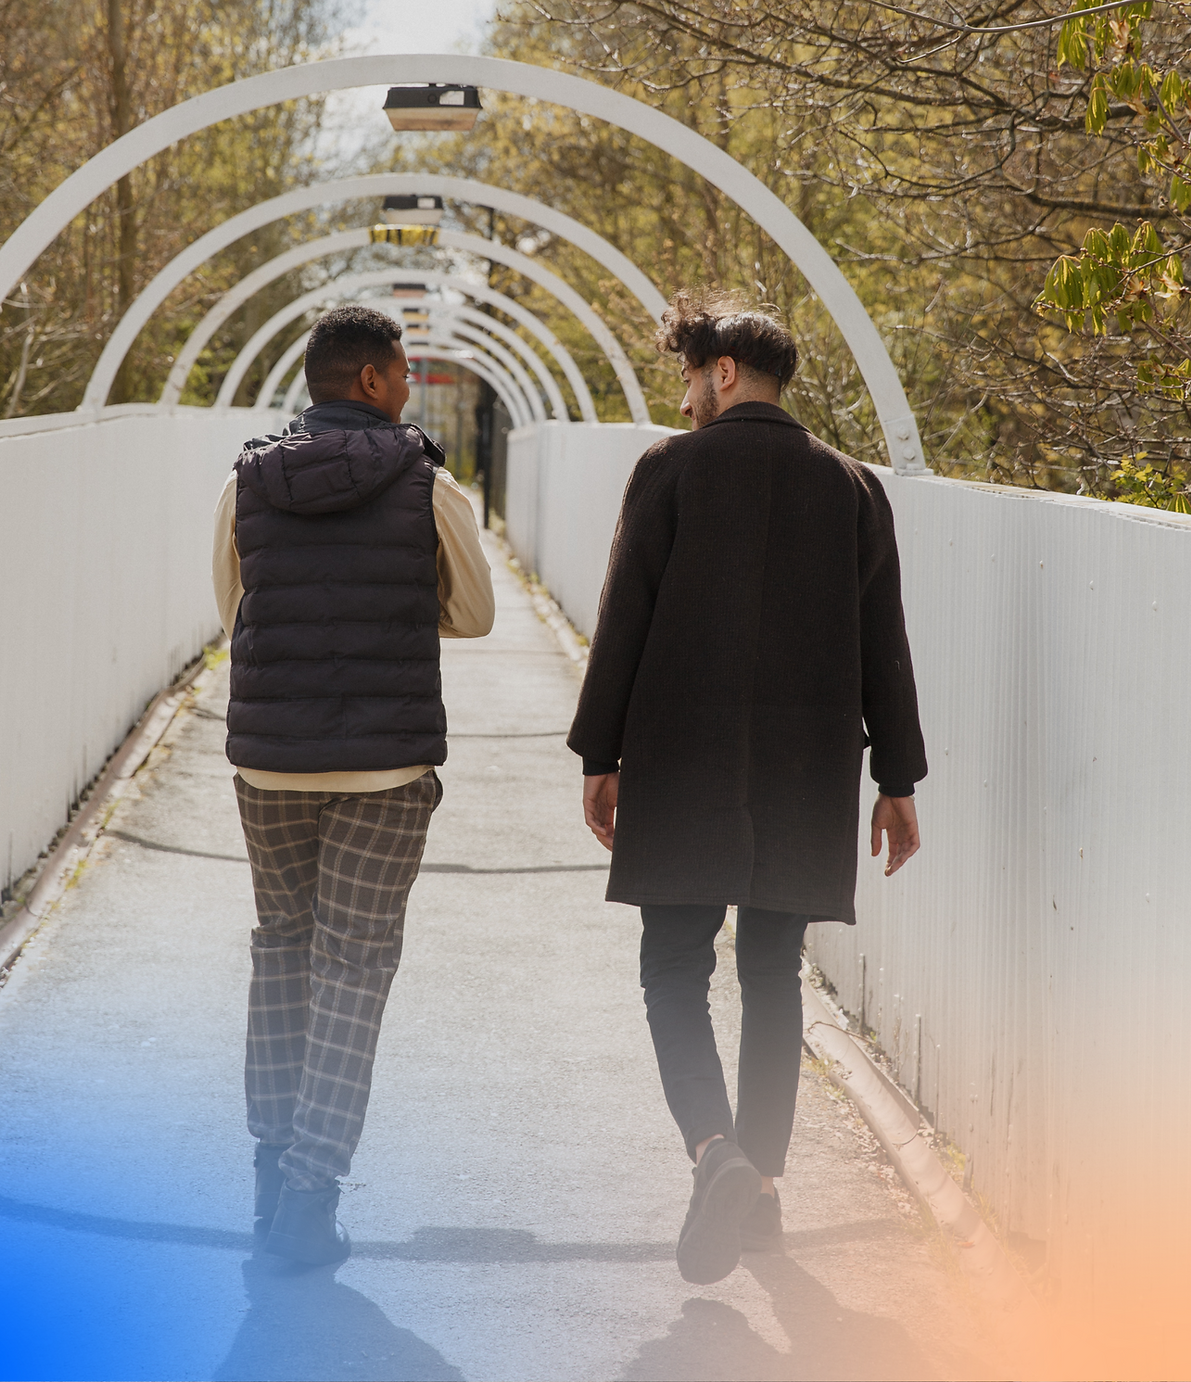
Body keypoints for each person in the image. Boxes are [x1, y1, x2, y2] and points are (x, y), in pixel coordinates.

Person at [567, 290, 926, 1286]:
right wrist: (896, 777)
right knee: (772, 972)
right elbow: (884, 643)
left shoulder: (670, 470)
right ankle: (760, 1188)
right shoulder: (853, 487)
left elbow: (625, 617)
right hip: (808, 770)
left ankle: (713, 1150)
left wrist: (600, 754)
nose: (684, 399)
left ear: (723, 373)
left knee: (673, 965)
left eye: (690, 378)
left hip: (683, 758)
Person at [211, 304, 494, 1266]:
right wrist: (399, 614)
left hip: (269, 761)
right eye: (405, 369)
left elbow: (235, 608)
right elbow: (476, 612)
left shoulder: (245, 479)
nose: (411, 384)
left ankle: (268, 1171)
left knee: (280, 949)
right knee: (353, 969)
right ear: (370, 379)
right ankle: (308, 1199)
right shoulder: (427, 481)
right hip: (386, 767)